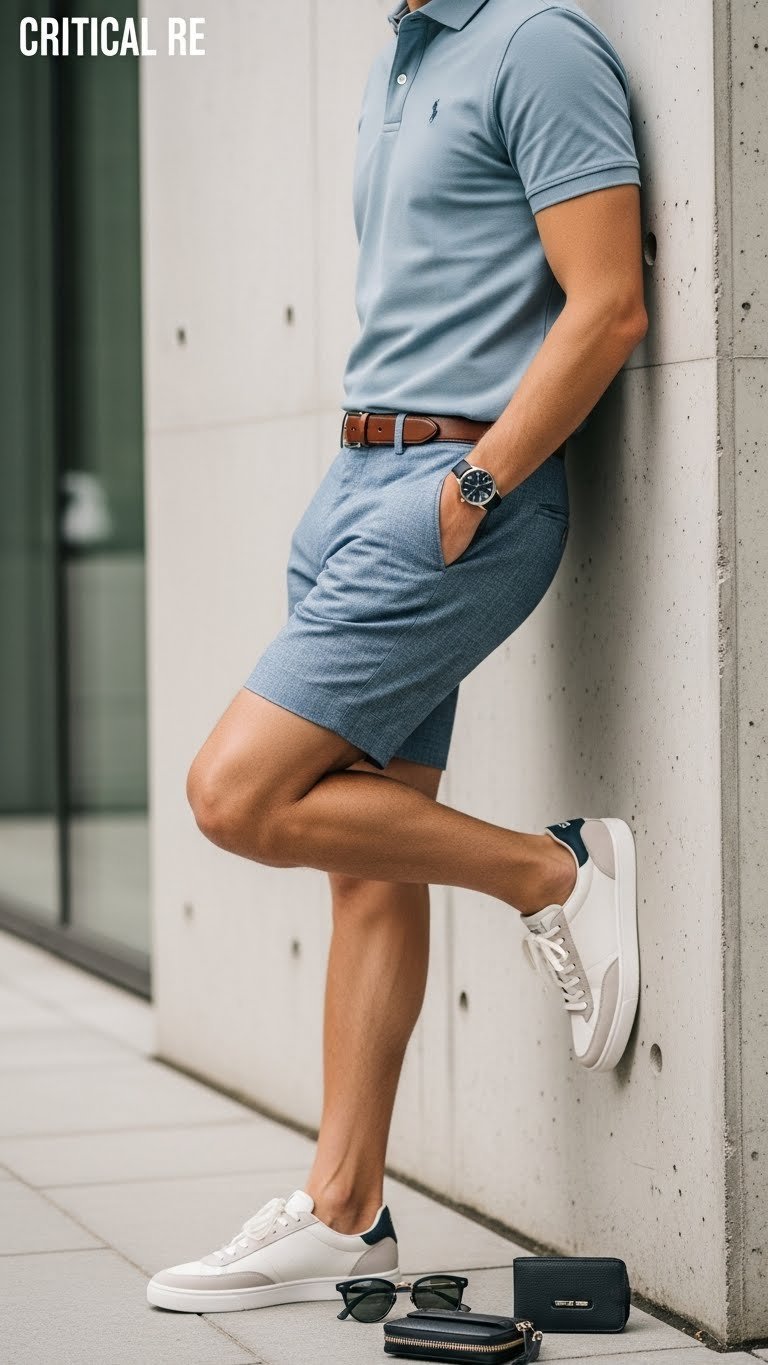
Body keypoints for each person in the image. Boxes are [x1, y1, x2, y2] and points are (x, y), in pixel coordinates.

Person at [147, 0, 647, 1314]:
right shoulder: (397, 61)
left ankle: (556, 870)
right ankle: (344, 1206)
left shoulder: (539, 44)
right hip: (356, 488)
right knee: (366, 858)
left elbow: (605, 307)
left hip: (460, 489)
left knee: (236, 793)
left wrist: (478, 482)